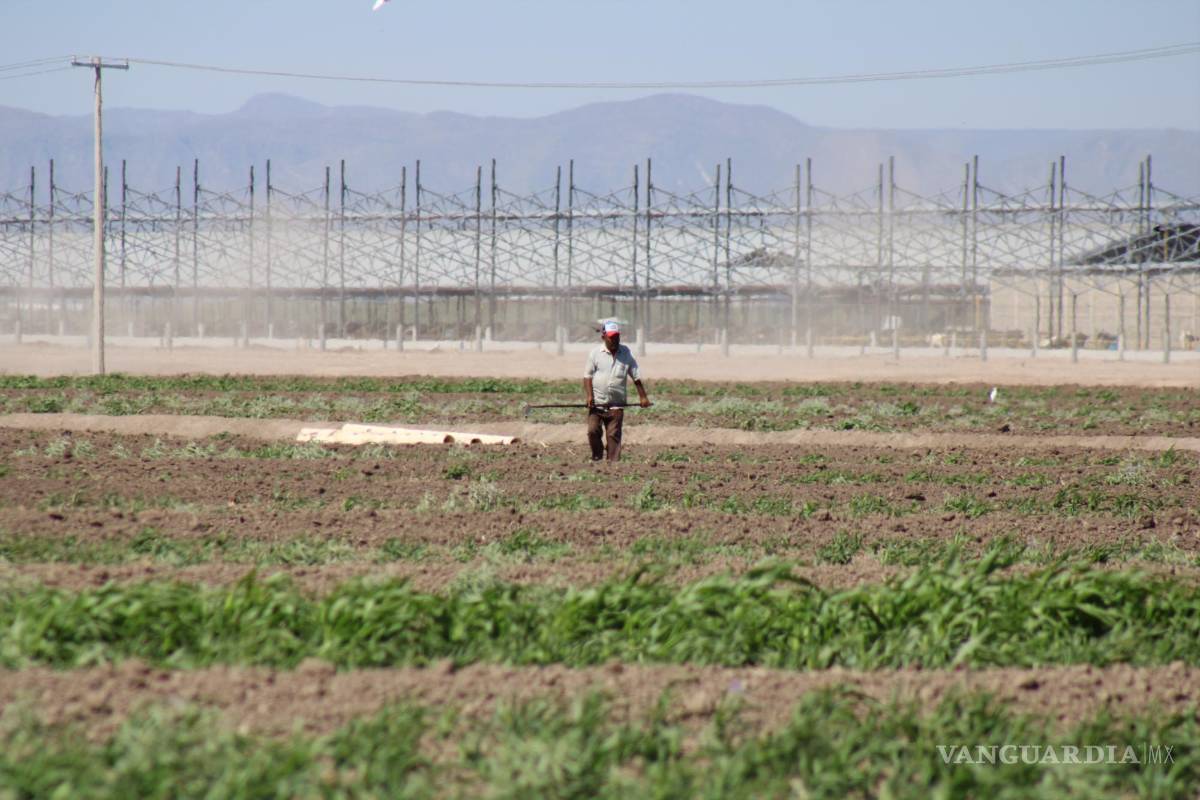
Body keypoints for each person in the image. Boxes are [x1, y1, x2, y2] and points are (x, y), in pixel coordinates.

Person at [582, 320, 650, 462]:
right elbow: (587, 376)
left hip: (616, 403)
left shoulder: (626, 353)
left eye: (617, 337)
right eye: (611, 337)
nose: (615, 340)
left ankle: (613, 465)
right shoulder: (595, 353)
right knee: (593, 431)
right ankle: (597, 456)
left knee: (613, 434)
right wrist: (589, 396)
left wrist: (643, 397)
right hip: (597, 403)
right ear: (603, 337)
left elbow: (636, 376)